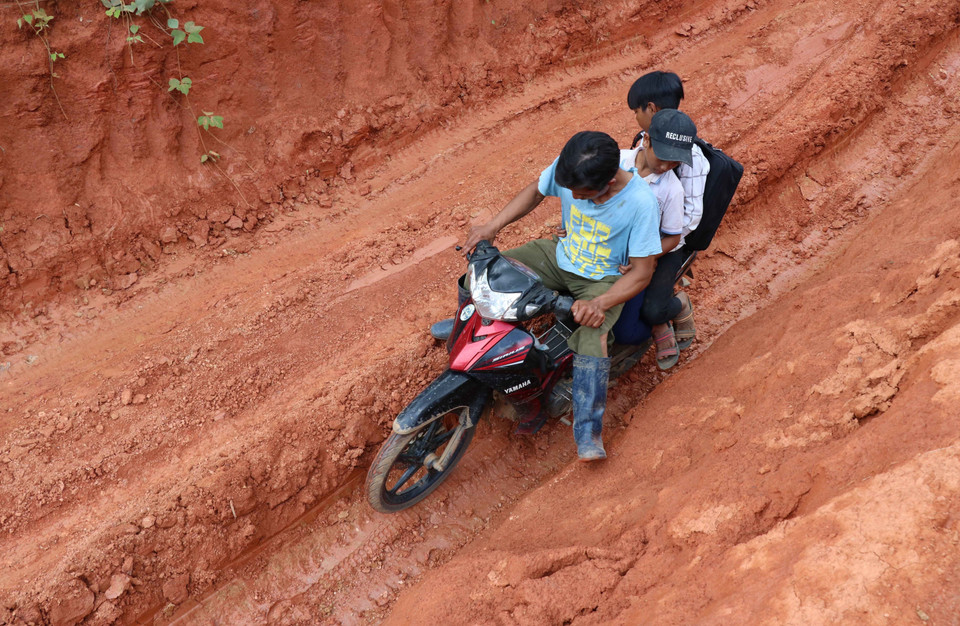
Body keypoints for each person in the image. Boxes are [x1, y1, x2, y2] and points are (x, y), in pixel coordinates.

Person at [463, 131, 662, 461]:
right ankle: (467, 321)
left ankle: (588, 431)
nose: (572, 196)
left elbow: (643, 272)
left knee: (592, 337)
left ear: (610, 181)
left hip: (601, 280)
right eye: (569, 190)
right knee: (491, 269)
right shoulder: (571, 170)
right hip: (559, 255)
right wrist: (492, 225)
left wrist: (600, 303)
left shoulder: (641, 203)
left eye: (581, 194)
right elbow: (535, 191)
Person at [625, 71, 708, 355]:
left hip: (672, 242)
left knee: (652, 308)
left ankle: (675, 307)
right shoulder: (641, 141)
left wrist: (651, 251)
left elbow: (689, 221)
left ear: (651, 109)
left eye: (636, 111)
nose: (635, 118)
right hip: (640, 234)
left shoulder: (691, 158)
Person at [618, 109, 697, 369]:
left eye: (675, 163)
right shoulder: (617, 161)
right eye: (663, 158)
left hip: (655, 249)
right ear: (647, 140)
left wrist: (644, 257)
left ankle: (674, 307)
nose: (666, 167)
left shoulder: (671, 189)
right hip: (615, 246)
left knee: (645, 315)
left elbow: (673, 237)